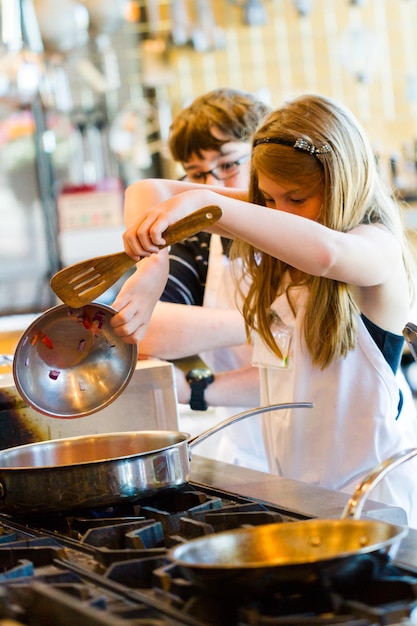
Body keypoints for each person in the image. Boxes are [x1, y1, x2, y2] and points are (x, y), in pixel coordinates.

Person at [112, 92, 417, 527]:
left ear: (342, 184)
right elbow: (146, 190)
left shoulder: (377, 247)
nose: (280, 213)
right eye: (270, 200)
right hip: (302, 498)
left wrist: (200, 204)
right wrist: (152, 266)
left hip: (372, 503)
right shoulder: (291, 225)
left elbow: (327, 254)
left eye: (296, 198)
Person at [114, 88, 271, 471]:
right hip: (250, 446)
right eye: (197, 174)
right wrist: (270, 325)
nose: (213, 185)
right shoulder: (200, 239)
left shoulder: (299, 227)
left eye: (229, 164)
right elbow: (145, 329)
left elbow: (317, 362)